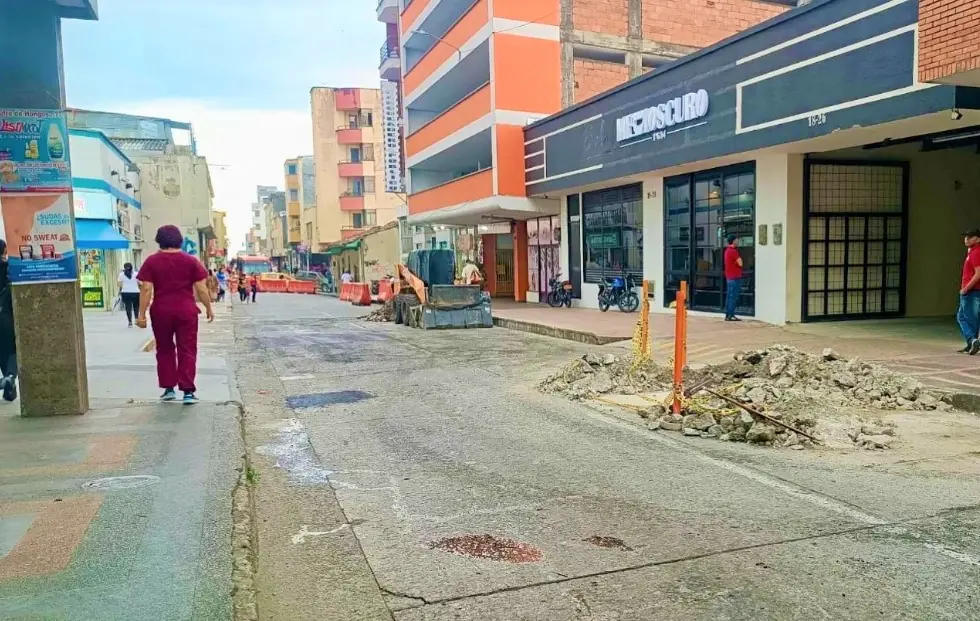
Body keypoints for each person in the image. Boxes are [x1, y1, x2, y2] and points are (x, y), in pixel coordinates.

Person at [135, 225, 214, 404]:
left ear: (159, 240)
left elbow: (146, 288)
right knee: (187, 349)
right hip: (186, 311)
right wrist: (209, 307)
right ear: (180, 240)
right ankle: (187, 391)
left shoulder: (152, 261)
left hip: (161, 311)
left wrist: (141, 315)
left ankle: (169, 388)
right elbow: (201, 288)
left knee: (164, 349)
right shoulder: (191, 261)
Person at [957, 228, 980, 354]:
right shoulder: (972, 252)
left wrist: (965, 288)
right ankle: (971, 343)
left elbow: (978, 273)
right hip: (970, 291)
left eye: (970, 236)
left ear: (978, 238)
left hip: (972, 292)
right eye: (966, 236)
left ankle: (972, 340)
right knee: (964, 316)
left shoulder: (976, 252)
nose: (966, 239)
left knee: (968, 318)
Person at [0, 240, 17, 402]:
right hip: (4, 315)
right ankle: (10, 376)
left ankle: (8, 387)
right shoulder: (7, 268)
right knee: (10, 349)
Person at [723, 233, 743, 322]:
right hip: (734, 278)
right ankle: (731, 315)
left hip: (729, 278)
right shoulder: (733, 251)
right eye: (737, 239)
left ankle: (728, 315)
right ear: (733, 241)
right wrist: (739, 260)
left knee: (729, 296)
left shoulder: (727, 251)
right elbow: (740, 263)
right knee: (733, 297)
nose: (738, 241)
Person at [118, 262, 141, 327]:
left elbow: (119, 284)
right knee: (136, 307)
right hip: (136, 292)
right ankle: (136, 320)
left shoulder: (121, 274)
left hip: (125, 293)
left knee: (128, 307)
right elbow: (140, 283)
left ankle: (130, 322)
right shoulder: (136, 274)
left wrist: (125, 285)